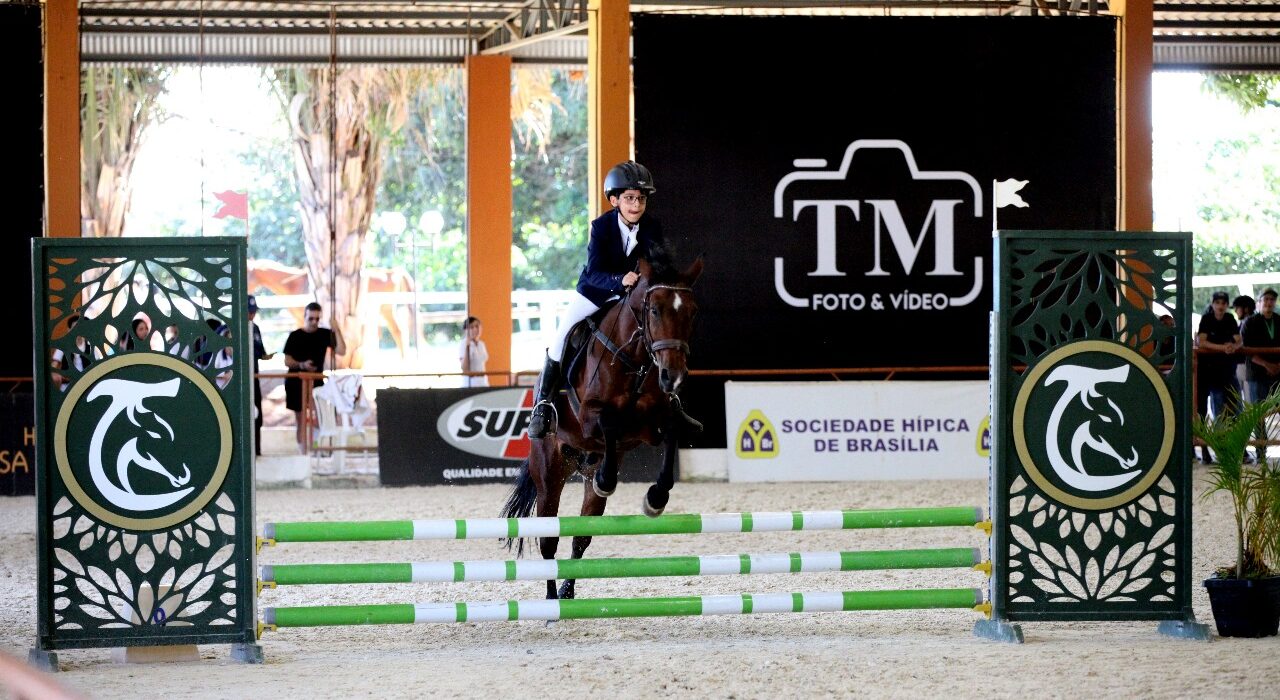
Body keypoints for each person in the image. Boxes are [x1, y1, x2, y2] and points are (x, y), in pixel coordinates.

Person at [527, 160, 699, 438]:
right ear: (614, 199)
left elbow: (660, 266)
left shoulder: (652, 227)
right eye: (629, 198)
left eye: (641, 198)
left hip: (631, 299)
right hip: (595, 293)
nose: (636, 205)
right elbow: (594, 271)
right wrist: (620, 280)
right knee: (561, 336)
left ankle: (672, 403)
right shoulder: (601, 227)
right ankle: (543, 405)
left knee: (660, 335)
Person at [283, 302, 346, 448]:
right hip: (296, 383)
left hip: (316, 382)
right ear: (304, 316)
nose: (314, 322)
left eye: (317, 319)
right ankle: (303, 451)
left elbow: (342, 351)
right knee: (300, 419)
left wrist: (337, 330)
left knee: (319, 416)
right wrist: (302, 364)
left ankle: (315, 448)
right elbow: (287, 361)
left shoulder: (324, 334)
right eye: (311, 318)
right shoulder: (295, 336)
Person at [1196, 291, 1242, 462]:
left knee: (1232, 410)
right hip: (1208, 372)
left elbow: (1239, 340)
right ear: (1213, 304)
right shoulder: (1206, 319)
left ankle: (1230, 449)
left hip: (1227, 371)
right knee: (1209, 411)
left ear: (1226, 305)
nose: (1221, 306)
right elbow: (1202, 341)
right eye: (1218, 302)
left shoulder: (1230, 319)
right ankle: (1211, 449)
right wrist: (1223, 348)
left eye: (1223, 303)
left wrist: (1234, 346)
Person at [1242, 288, 1280, 404]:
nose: (1269, 302)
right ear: (1259, 302)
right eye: (1266, 299)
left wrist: (1278, 366)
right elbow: (1246, 349)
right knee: (1258, 415)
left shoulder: (1279, 320)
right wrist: (1267, 365)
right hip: (1257, 375)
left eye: (1272, 300)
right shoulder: (1250, 322)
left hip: (1278, 373)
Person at [249, 295, 275, 456]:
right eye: (249, 312)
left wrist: (266, 356)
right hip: (241, 377)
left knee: (257, 412)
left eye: (253, 312)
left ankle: (257, 449)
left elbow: (260, 351)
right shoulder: (232, 330)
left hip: (255, 375)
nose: (252, 315)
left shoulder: (255, 328)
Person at [1233, 295, 1256, 403]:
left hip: (1247, 364)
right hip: (1242, 364)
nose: (1236, 311)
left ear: (1245, 309)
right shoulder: (1244, 323)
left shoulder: (1250, 323)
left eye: (1237, 308)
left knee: (1249, 399)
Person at [459, 316, 489, 387]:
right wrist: (467, 347)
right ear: (466, 330)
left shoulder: (481, 344)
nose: (475, 329)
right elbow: (464, 368)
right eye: (471, 327)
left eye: (477, 326)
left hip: (483, 382)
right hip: (470, 384)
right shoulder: (464, 344)